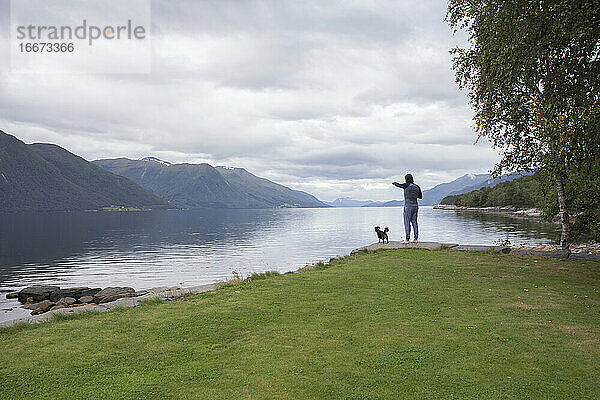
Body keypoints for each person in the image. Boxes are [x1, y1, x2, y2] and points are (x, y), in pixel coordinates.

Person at [392, 174, 422, 243]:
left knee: (407, 222)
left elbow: (399, 185)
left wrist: (394, 183)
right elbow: (420, 197)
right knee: (414, 222)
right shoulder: (417, 187)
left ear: (406, 179)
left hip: (408, 206)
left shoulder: (406, 185)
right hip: (415, 206)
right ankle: (416, 239)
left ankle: (407, 239)